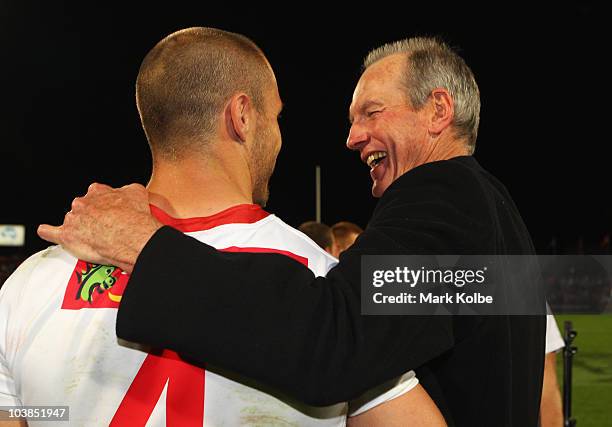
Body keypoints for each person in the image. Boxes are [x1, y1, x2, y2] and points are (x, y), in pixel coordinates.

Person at [39, 37, 546, 425]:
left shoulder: (442, 194)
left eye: (372, 113)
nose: (352, 138)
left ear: (439, 110)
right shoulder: (495, 210)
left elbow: (336, 340)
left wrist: (146, 245)